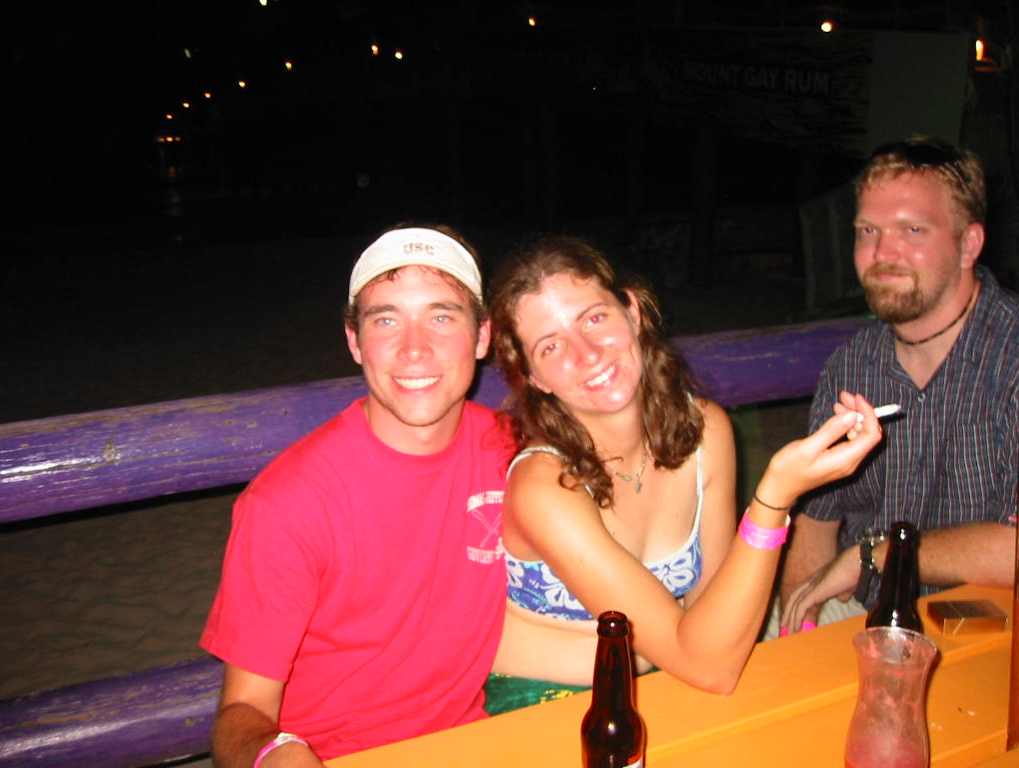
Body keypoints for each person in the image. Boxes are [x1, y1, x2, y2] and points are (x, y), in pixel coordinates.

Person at [486, 235, 883, 697]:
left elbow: (716, 624)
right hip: (540, 700)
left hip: (670, 678)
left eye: (594, 318)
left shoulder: (705, 431)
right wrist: (774, 499)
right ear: (534, 377)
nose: (587, 353)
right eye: (551, 347)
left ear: (633, 312)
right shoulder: (545, 485)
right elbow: (708, 664)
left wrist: (663, 649)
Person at [200, 224, 517, 765]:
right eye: (386, 320)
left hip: (474, 743)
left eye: (441, 317)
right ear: (354, 341)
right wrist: (274, 754)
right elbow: (241, 712)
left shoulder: (516, 455)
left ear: (482, 335)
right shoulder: (287, 503)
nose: (414, 349)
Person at [779, 137, 1019, 636]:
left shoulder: (1010, 357)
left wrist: (882, 553)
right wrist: (798, 631)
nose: (882, 252)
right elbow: (817, 523)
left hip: (991, 621)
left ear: (969, 244)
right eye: (868, 230)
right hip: (866, 609)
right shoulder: (851, 365)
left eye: (912, 229)